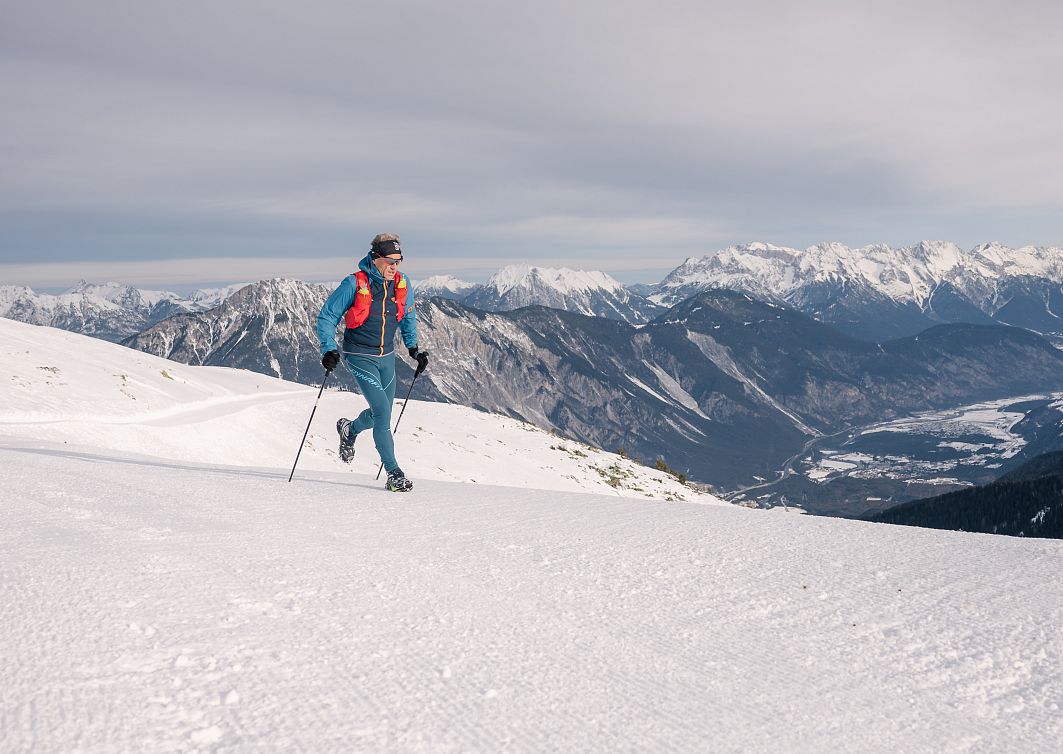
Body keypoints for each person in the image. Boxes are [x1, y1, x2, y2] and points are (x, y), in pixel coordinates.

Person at [317, 233, 429, 492]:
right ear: (376, 258)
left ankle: (349, 429)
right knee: (382, 412)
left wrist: (413, 349)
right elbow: (327, 317)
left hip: (387, 357)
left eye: (399, 261)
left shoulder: (402, 283)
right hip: (358, 355)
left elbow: (408, 317)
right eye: (390, 261)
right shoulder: (354, 283)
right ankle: (394, 473)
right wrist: (329, 349)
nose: (395, 267)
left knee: (383, 413)